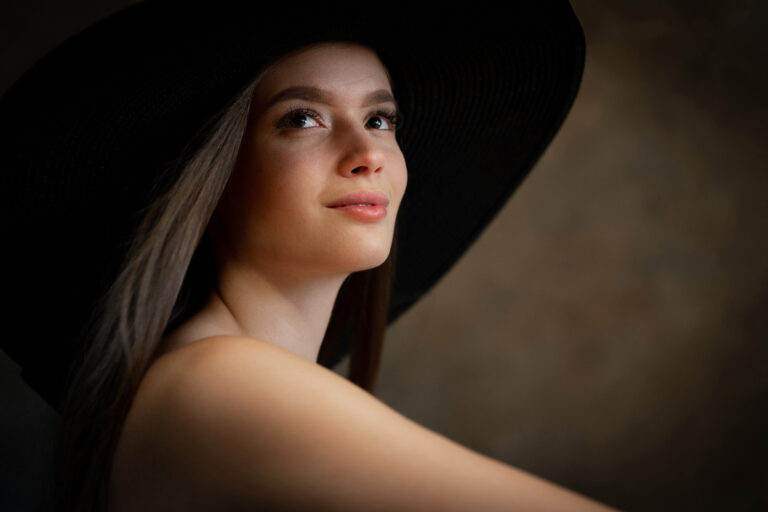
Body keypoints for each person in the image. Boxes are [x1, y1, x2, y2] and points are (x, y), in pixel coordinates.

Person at [0, 2, 618, 511]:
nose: (367, 152)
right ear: (210, 179)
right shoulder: (218, 385)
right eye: (302, 118)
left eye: (380, 118)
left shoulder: (205, 379)